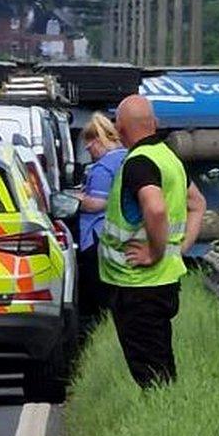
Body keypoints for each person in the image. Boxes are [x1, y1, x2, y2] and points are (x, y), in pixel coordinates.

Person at [98, 95, 206, 389]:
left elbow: (155, 207)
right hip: (163, 283)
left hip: (138, 285)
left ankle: (169, 422)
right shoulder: (169, 157)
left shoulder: (138, 163)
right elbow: (197, 204)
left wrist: (154, 252)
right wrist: (179, 247)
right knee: (161, 365)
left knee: (152, 376)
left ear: (119, 129)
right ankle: (168, 416)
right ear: (154, 124)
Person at [75, 113, 126, 336]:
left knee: (96, 298)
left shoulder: (103, 168)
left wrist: (77, 200)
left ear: (99, 140)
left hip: (96, 237)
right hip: (121, 236)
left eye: (89, 145)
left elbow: (97, 203)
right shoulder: (128, 157)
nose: (89, 150)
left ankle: (96, 336)